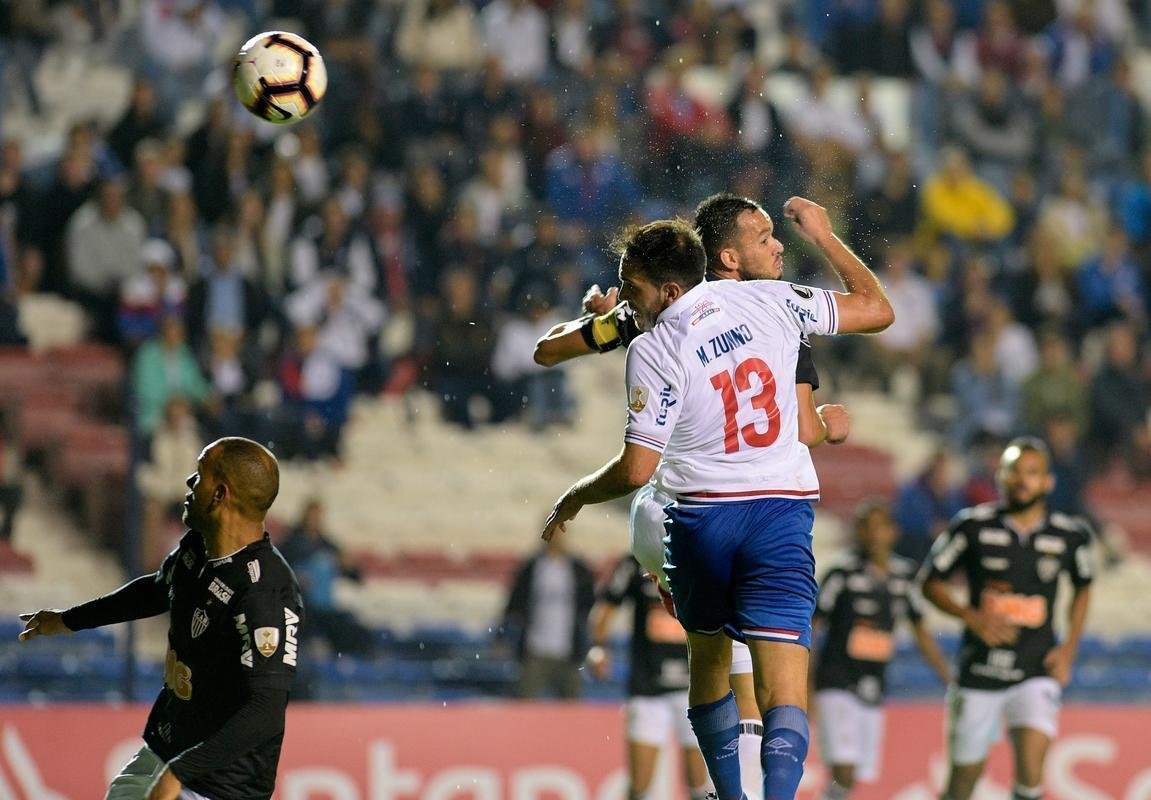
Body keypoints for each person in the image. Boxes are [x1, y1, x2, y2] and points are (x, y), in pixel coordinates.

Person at [541, 199, 894, 800]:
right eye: (766, 238)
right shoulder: (779, 305)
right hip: (775, 509)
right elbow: (870, 321)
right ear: (726, 257)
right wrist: (826, 239)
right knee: (777, 676)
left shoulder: (648, 329)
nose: (778, 246)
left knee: (711, 652)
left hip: (690, 514)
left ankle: (729, 790)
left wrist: (607, 323)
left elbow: (548, 354)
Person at [18, 437, 303, 800]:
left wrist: (178, 774)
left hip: (218, 785)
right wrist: (68, 620)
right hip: (164, 754)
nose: (189, 482)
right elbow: (157, 590)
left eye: (199, 475)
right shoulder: (198, 547)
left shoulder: (267, 592)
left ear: (220, 494)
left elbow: (265, 710)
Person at [920, 437, 1093, 800]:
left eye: (1032, 472)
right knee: (963, 781)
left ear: (1048, 481)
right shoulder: (972, 526)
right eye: (1014, 470)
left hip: (1036, 669)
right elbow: (930, 582)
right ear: (1000, 476)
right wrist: (971, 616)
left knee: (1031, 777)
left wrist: (1068, 649)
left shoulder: (1070, 536)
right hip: (979, 670)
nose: (1022, 480)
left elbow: (1083, 586)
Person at [811, 500, 951, 800]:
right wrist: (804, 684)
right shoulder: (841, 573)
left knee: (854, 774)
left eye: (880, 526)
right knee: (843, 769)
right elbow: (813, 627)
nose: (874, 534)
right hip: (836, 680)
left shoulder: (904, 575)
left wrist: (948, 679)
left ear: (893, 532)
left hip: (873, 683)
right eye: (866, 526)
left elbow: (920, 631)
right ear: (858, 531)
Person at [589, 555, 711, 800]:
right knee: (640, 787)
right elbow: (607, 605)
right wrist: (598, 647)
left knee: (701, 785)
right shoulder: (635, 562)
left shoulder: (703, 555)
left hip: (695, 687)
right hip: (647, 685)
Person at [500, 528, 596, 699]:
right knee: (526, 708)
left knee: (572, 714)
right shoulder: (532, 567)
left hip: (568, 652)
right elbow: (514, 604)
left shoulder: (578, 569)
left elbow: (590, 605)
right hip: (535, 651)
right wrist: (501, 637)